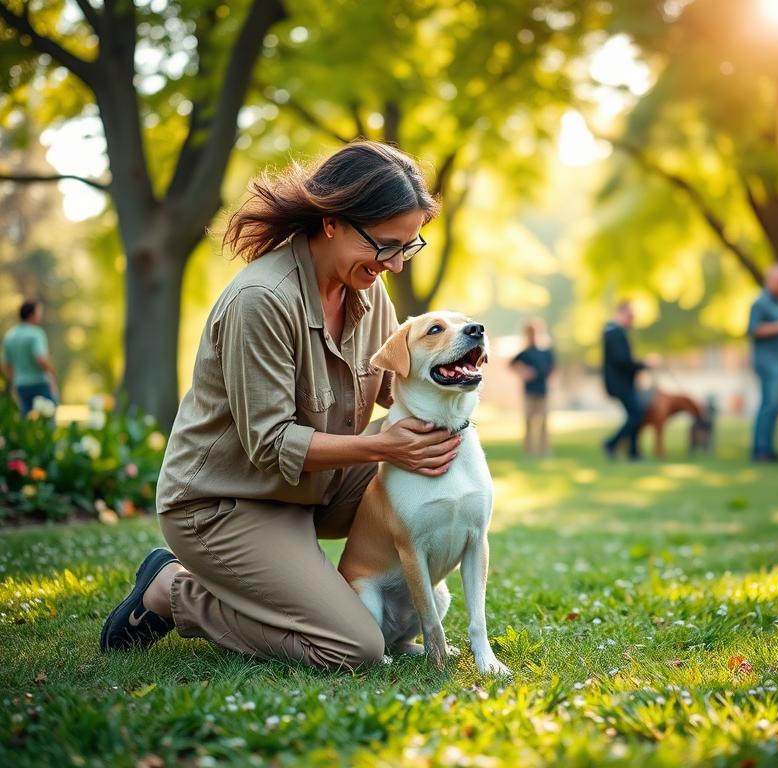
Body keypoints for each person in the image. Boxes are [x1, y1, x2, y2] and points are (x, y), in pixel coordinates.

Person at [99, 142, 463, 671]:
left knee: (440, 463)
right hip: (226, 505)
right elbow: (270, 445)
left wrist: (452, 371)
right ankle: (173, 590)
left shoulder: (369, 288)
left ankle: (330, 588)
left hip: (315, 489)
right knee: (355, 648)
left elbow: (395, 389)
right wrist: (384, 445)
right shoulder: (262, 300)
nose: (397, 266)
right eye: (386, 246)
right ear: (332, 222)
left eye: (409, 247)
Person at [747, 263, 778, 463]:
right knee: (770, 404)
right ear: (769, 280)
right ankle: (760, 450)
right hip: (767, 362)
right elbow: (753, 330)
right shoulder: (760, 303)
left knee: (775, 405)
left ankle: (768, 447)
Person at [601, 300, 659, 460]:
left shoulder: (616, 332)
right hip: (620, 384)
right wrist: (644, 364)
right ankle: (611, 443)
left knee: (635, 414)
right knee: (636, 414)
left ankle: (633, 452)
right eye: (631, 316)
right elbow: (622, 361)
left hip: (625, 382)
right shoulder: (614, 333)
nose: (632, 321)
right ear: (621, 313)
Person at [2, 300, 59, 417]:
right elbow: (41, 359)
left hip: (21, 385)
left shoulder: (10, 335)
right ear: (31, 314)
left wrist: (14, 380)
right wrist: (52, 373)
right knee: (48, 417)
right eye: (39, 312)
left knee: (26, 419)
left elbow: (6, 364)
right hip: (39, 383)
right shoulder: (36, 333)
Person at [509, 318, 555, 458]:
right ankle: (528, 452)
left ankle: (545, 451)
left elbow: (553, 367)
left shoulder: (546, 351)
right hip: (529, 392)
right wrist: (523, 372)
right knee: (529, 422)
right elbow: (512, 364)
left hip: (543, 391)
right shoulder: (525, 352)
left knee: (544, 423)